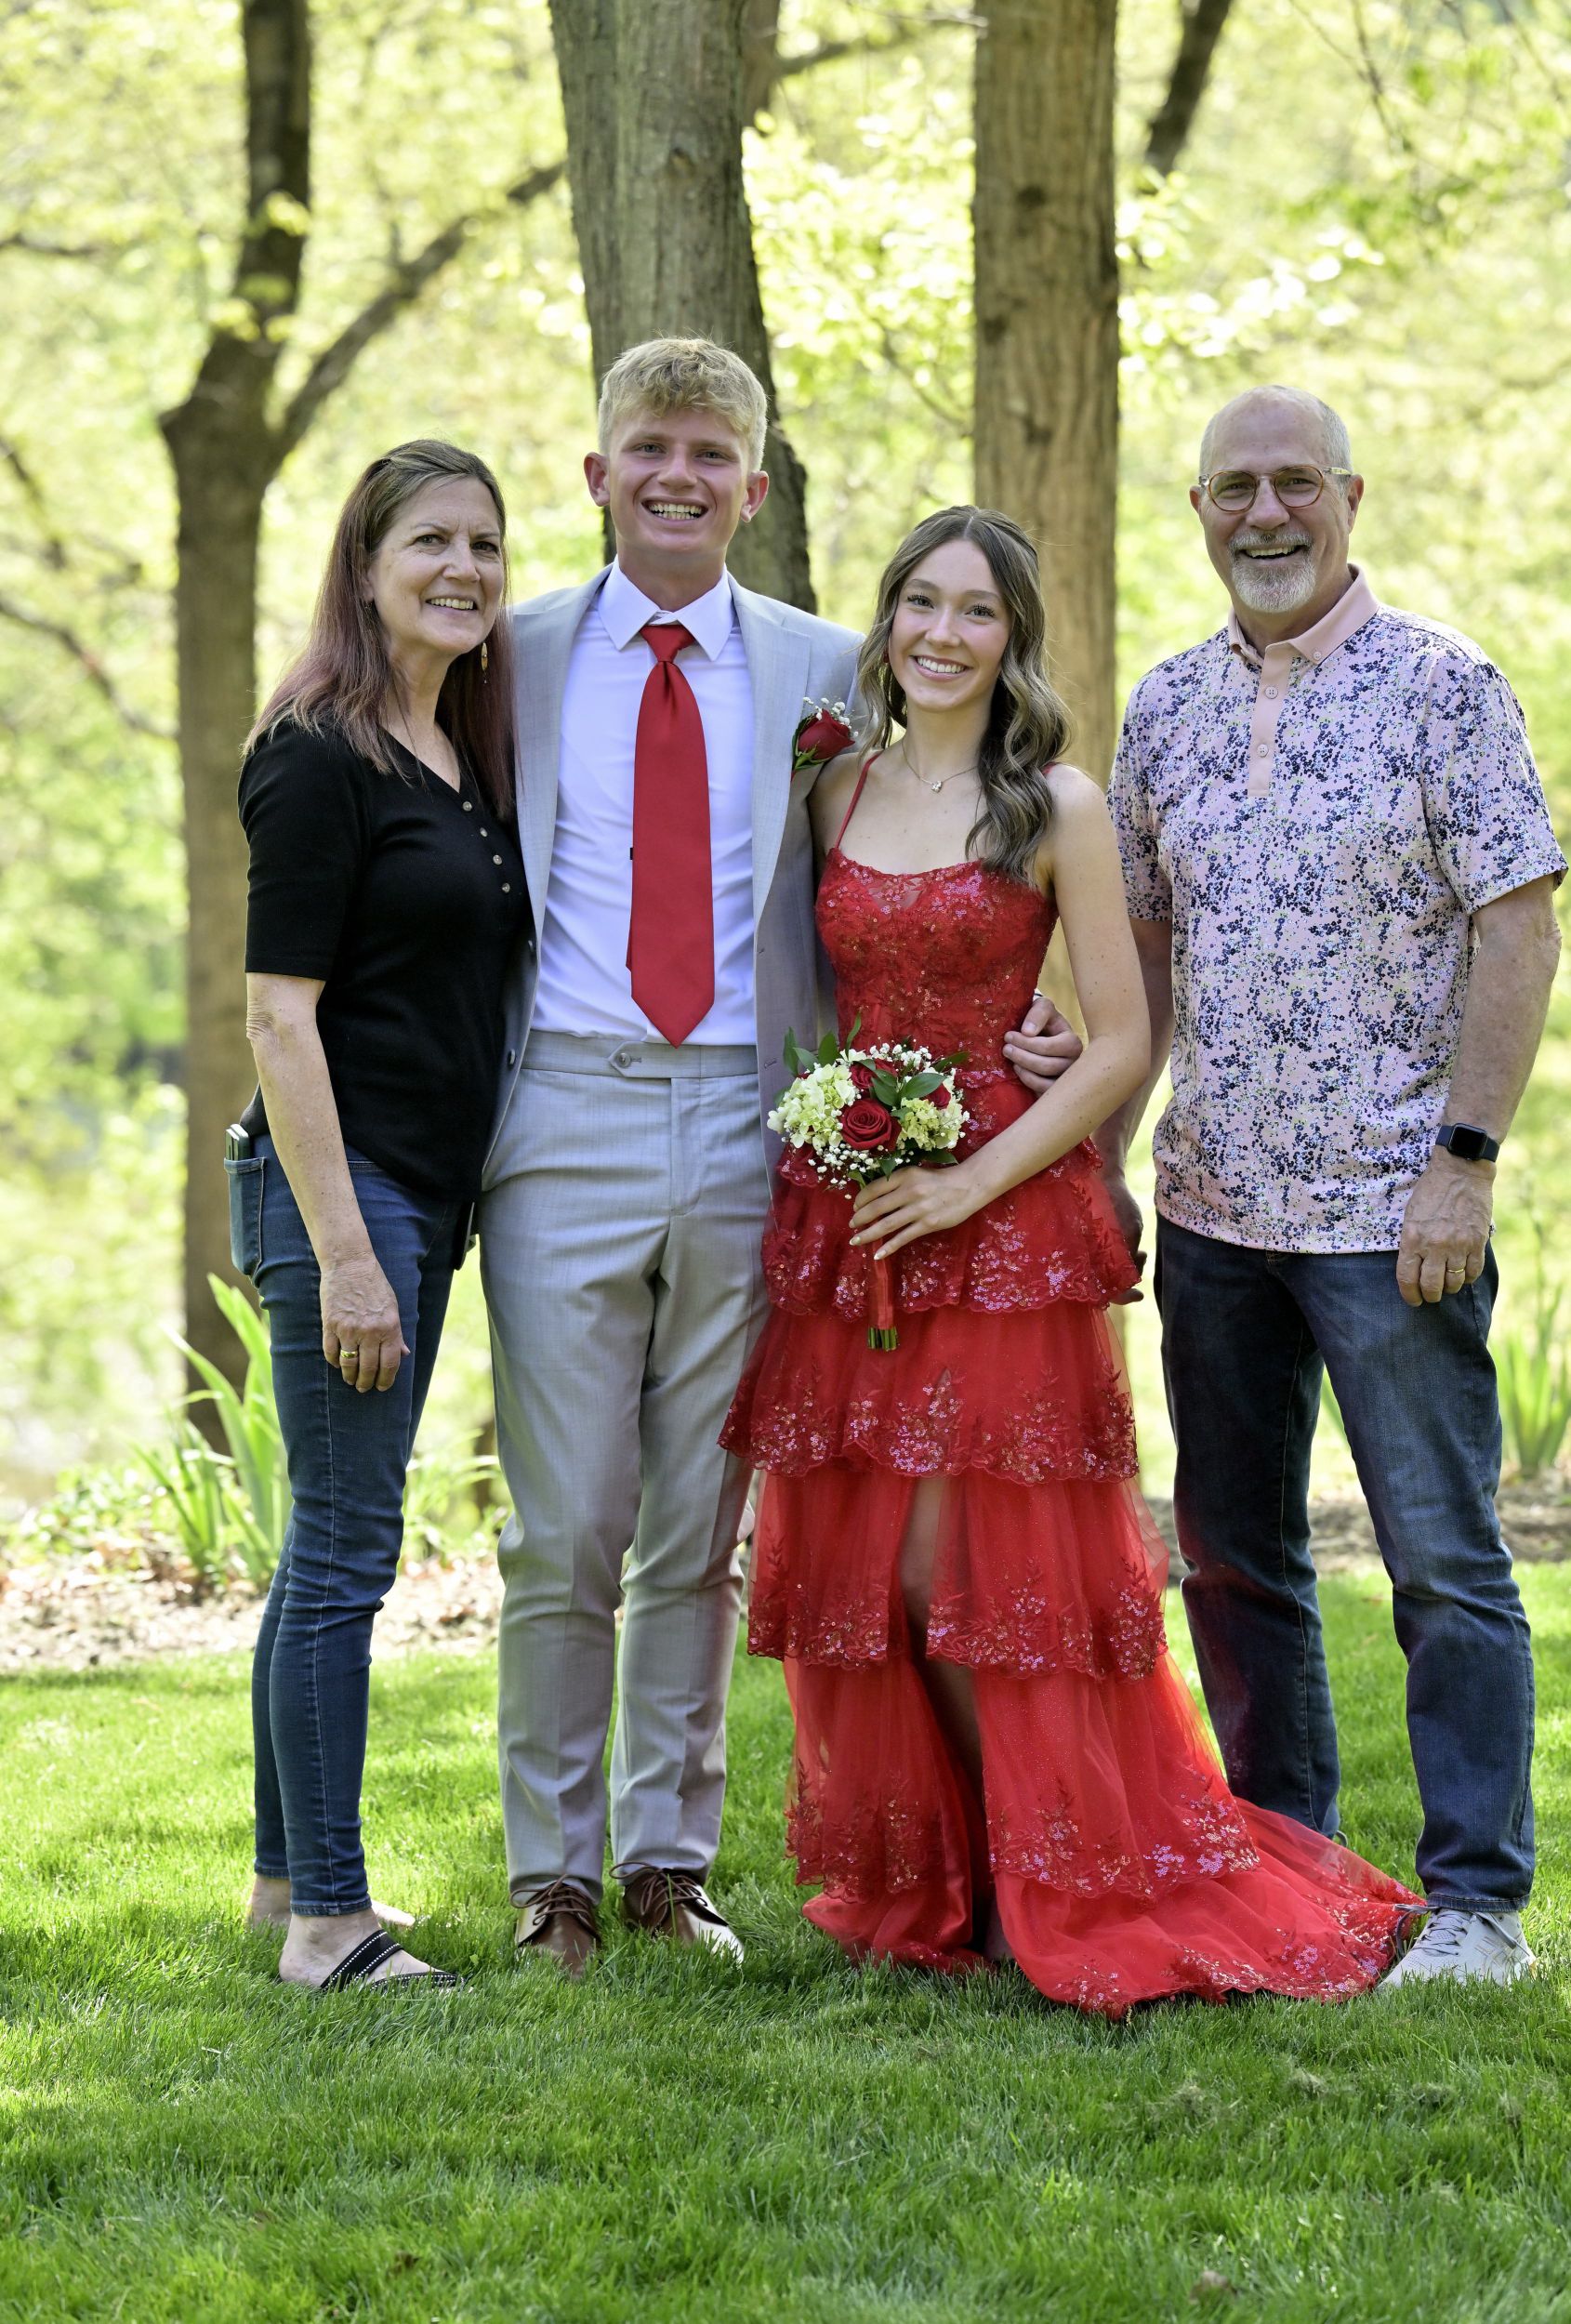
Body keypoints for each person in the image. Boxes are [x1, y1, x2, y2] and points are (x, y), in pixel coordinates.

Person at [722, 505, 1419, 2013]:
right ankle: (964, 1874)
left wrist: (967, 1181)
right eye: (922, 603)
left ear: (1011, 639)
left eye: (976, 611)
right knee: (876, 1574)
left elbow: (1113, 1042)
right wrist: (850, 1133)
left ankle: (1061, 1873)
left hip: (1003, 1219)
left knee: (976, 1576)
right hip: (860, 1203)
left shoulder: (1056, 805)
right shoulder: (832, 789)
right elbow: (806, 990)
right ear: (887, 621)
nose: (944, 634)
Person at [478, 340, 1075, 1976]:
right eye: (647, 448)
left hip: (761, 1122)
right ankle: (550, 1876)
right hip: (565, 1110)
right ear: (598, 472)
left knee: (696, 1519)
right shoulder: (509, 658)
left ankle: (667, 1865)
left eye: (709, 455)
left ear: (753, 485)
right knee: (564, 1527)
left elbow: (951, 844)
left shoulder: (827, 669)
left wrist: (1028, 1019)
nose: (676, 476)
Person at [1096, 386, 1564, 1988]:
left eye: (1293, 481)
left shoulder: (1444, 686)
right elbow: (1143, 961)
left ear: (1348, 498)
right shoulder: (1163, 709)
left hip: (1390, 1214)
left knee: (1441, 1563)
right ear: (1197, 510)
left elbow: (1519, 927)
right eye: (1233, 487)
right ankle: (1285, 1869)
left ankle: (1477, 1906)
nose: (1264, 513)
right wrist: (1104, 1165)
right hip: (1212, 1211)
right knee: (1234, 1563)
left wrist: (1462, 1164)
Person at [232, 441, 528, 1988]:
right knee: (349, 1556)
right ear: (364, 565)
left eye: (483, 542)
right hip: (345, 1197)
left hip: (419, 1195)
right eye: (428, 540)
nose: (461, 567)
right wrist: (348, 1252)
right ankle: (333, 1925)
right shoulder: (316, 752)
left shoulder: (459, 749)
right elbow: (279, 1015)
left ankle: (284, 1885)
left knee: (321, 1551)